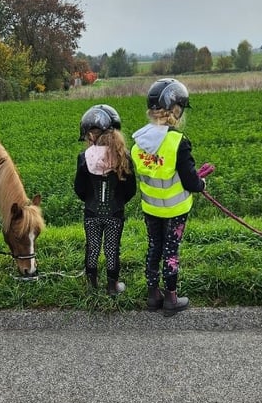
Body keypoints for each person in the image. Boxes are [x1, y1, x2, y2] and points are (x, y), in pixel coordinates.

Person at [131, 78, 206, 316]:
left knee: (154, 248)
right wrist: (201, 182)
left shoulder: (138, 144)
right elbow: (191, 182)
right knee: (171, 252)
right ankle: (171, 299)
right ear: (174, 110)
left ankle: (153, 296)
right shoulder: (177, 142)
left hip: (151, 209)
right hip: (175, 211)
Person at [74, 104, 137, 297]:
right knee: (112, 249)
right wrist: (118, 203)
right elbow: (130, 190)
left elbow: (79, 189)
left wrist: (89, 200)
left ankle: (91, 287)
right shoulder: (123, 156)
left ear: (92, 135)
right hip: (115, 213)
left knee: (92, 247)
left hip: (91, 213)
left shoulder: (84, 158)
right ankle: (112, 287)